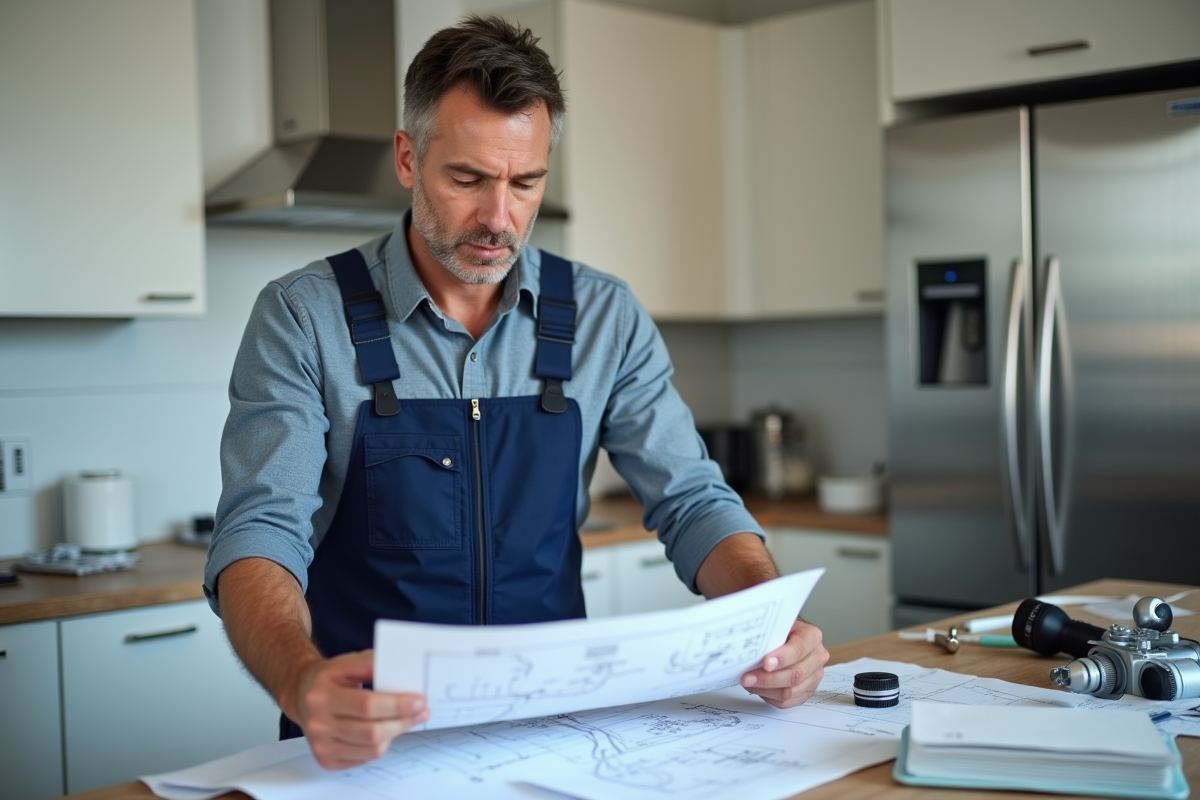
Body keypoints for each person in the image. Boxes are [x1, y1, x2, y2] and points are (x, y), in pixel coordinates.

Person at [204, 14, 828, 772]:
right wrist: (301, 683)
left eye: (525, 183)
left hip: (557, 741)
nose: (498, 218)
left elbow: (692, 500)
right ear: (408, 158)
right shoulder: (303, 315)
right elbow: (260, 533)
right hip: (360, 747)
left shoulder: (603, 316)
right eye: (467, 179)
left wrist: (770, 619)